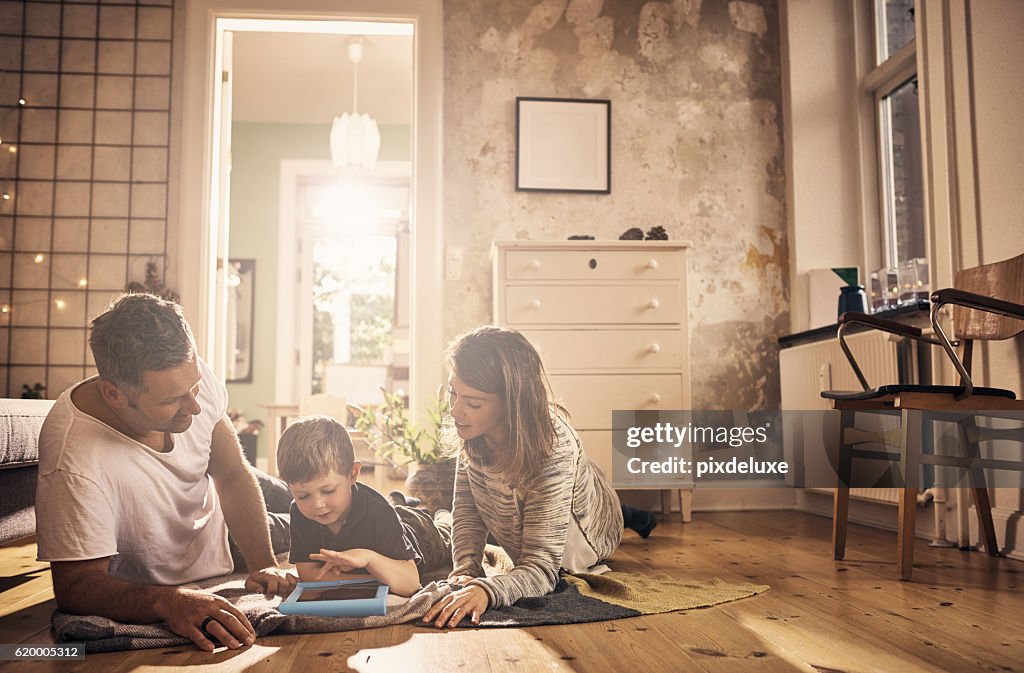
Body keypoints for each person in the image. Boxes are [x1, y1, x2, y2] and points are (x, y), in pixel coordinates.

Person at [35, 293, 295, 653]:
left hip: (223, 513)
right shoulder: (74, 459)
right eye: (172, 400)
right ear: (114, 395)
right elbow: (75, 585)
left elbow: (232, 474)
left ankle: (399, 507)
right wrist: (168, 601)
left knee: (328, 509)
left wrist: (267, 565)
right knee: (316, 515)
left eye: (195, 387)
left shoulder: (180, 373)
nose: (194, 405)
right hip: (191, 544)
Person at [422, 326, 656, 629]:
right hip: (528, 504)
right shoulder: (474, 430)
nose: (455, 411)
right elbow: (468, 510)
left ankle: (630, 515)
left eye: (474, 403)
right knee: (527, 507)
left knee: (592, 515)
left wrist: (488, 591)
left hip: (595, 522)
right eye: (454, 393)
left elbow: (542, 568)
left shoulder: (552, 447)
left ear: (512, 402)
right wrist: (466, 569)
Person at [276, 415, 453, 596]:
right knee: (395, 509)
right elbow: (310, 575)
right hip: (391, 521)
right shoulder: (300, 513)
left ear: (353, 474)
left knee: (446, 532)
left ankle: (443, 515)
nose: (318, 505)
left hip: (423, 534)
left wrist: (368, 559)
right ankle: (397, 499)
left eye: (328, 491)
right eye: (303, 495)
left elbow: (409, 584)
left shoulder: (379, 513)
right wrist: (375, 580)